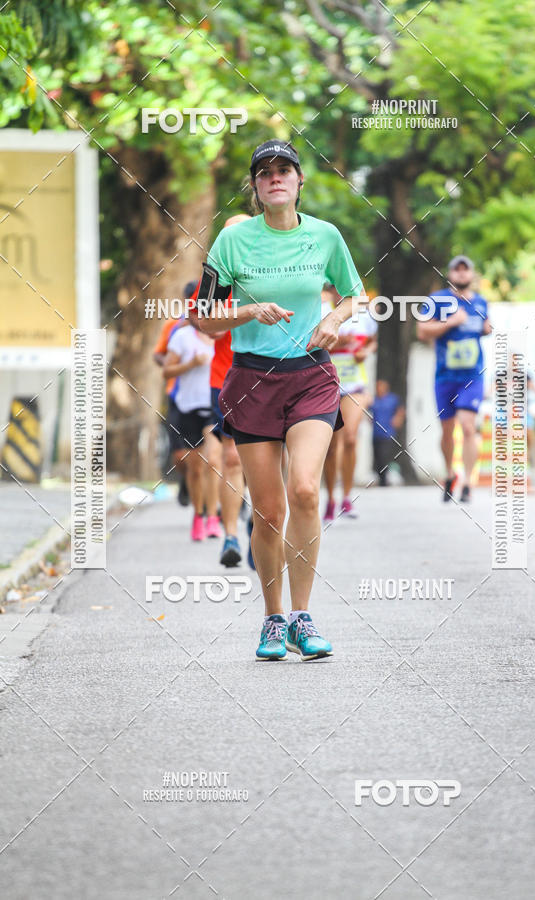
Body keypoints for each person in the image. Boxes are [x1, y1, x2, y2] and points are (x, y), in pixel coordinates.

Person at [193, 139, 366, 661]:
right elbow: (202, 318)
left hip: (311, 375)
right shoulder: (232, 242)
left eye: (284, 170)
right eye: (264, 171)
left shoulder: (325, 236)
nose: (275, 178)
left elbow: (352, 293)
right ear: (254, 185)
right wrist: (247, 313)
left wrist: (333, 320)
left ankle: (302, 615)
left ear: (298, 181)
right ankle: (272, 619)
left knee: (306, 491)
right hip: (251, 381)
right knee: (268, 512)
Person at [416, 255, 492, 503]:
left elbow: (486, 327)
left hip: (472, 375)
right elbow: (422, 330)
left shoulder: (480, 302)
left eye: (465, 270)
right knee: (447, 430)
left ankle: (468, 482)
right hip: (445, 376)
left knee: (468, 427)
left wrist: (487, 328)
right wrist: (451, 322)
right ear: (449, 274)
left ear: (472, 274)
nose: (461, 274)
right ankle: (450, 473)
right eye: (456, 270)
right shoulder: (438, 300)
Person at [208, 214, 252, 568]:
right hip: (225, 379)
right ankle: (231, 536)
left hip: (271, 377)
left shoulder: (272, 270)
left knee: (273, 459)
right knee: (233, 457)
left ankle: (263, 520)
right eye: (228, 236)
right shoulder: (215, 276)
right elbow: (209, 326)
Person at [162, 317, 222, 541]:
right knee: (195, 469)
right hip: (187, 407)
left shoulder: (224, 335)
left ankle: (214, 517)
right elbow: (166, 372)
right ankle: (198, 516)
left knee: (213, 461)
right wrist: (191, 364)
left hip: (212, 406)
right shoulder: (182, 337)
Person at [322, 283, 377, 520]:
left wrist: (367, 351)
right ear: (331, 290)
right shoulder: (322, 311)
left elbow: (372, 340)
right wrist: (335, 344)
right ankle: (331, 499)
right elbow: (310, 344)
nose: (341, 292)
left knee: (351, 438)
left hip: (355, 386)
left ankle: (347, 497)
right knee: (332, 446)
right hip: (327, 385)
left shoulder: (364, 313)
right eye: (336, 287)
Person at [152, 300, 189, 505]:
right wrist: (171, 363)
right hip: (176, 395)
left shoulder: (215, 325)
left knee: (213, 454)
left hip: (207, 397)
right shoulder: (173, 325)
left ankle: (210, 509)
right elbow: (158, 354)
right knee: (179, 454)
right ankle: (186, 478)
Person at [370, 380, 405, 486]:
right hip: (376, 433)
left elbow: (401, 410)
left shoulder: (392, 399)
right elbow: (368, 411)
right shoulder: (374, 400)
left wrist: (398, 419)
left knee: (384, 456)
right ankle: (381, 479)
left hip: (388, 433)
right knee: (377, 456)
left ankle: (385, 479)